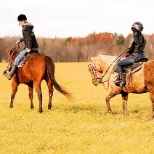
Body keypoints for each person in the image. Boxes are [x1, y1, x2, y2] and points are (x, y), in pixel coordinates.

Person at [3, 14, 39, 80]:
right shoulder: (29, 27)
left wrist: (29, 48)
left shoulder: (25, 28)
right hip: (36, 48)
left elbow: (29, 39)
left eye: (19, 21)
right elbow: (27, 37)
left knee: (16, 59)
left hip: (30, 48)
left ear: (22, 21)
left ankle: (10, 75)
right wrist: (20, 40)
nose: (19, 23)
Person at [115, 22, 146, 87]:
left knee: (119, 64)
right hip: (142, 56)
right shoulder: (143, 38)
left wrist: (128, 52)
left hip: (135, 56)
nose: (132, 30)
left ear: (134, 29)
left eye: (132, 28)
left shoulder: (134, 37)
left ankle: (122, 81)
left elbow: (131, 48)